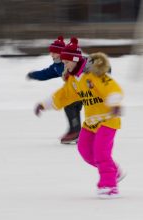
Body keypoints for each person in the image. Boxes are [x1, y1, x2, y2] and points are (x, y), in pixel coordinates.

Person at [34, 37, 124, 199]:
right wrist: (44, 104)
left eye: (67, 62)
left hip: (108, 119)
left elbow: (111, 87)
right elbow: (64, 95)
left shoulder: (94, 74)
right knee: (85, 151)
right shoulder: (74, 80)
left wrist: (115, 103)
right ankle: (113, 171)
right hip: (90, 122)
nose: (65, 65)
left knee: (101, 152)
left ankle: (109, 186)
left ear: (75, 60)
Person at [26, 36, 82, 144]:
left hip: (80, 89)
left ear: (61, 52)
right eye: (51, 52)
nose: (51, 54)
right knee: (71, 106)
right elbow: (46, 73)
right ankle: (75, 131)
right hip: (72, 90)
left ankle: (75, 132)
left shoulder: (70, 60)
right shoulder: (56, 66)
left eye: (54, 52)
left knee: (70, 106)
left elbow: (83, 62)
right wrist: (33, 75)